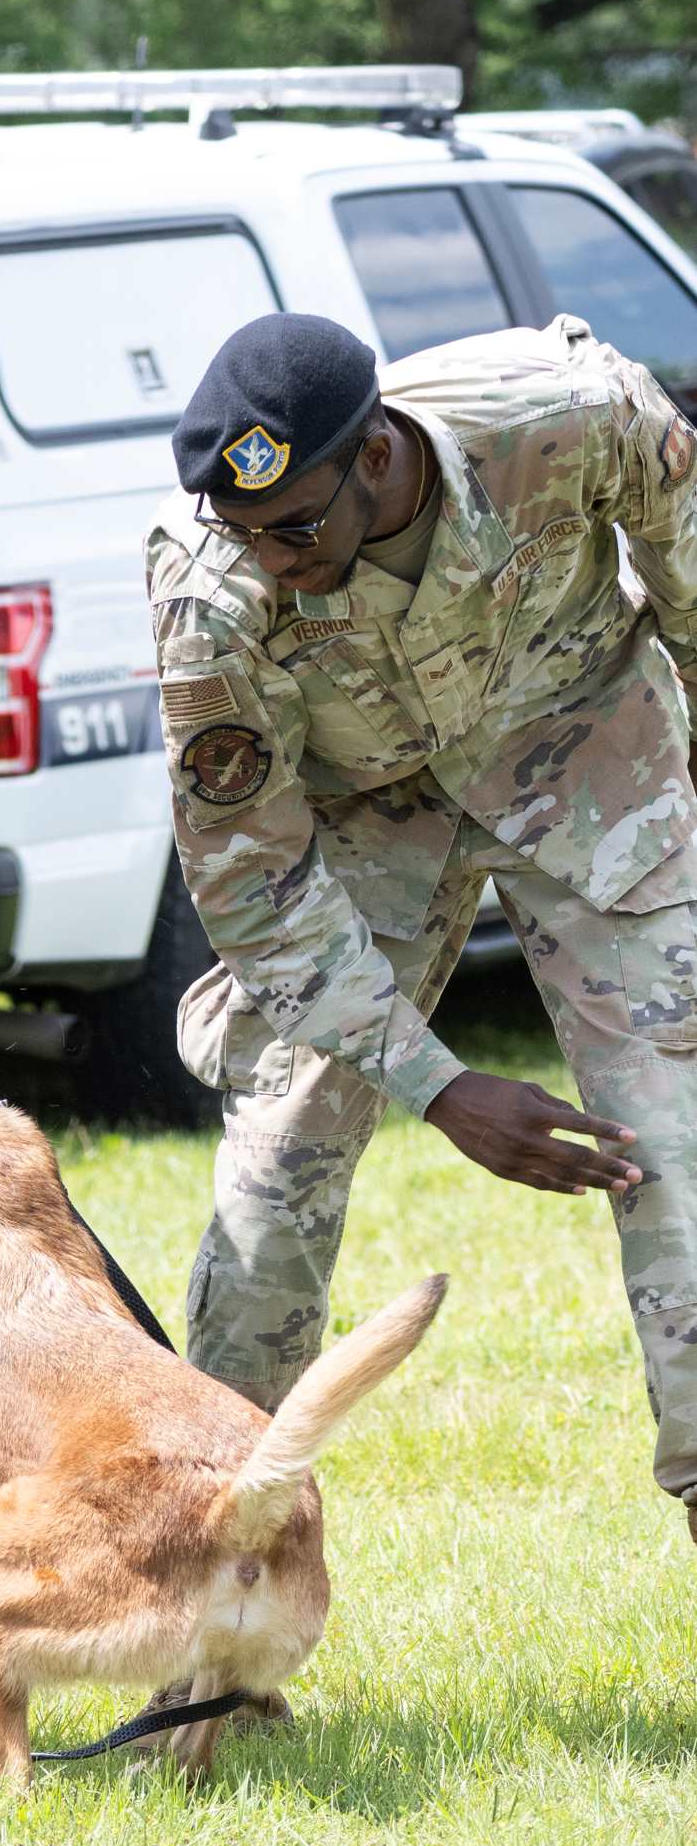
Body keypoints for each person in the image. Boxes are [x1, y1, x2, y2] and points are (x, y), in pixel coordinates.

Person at [143, 310, 697, 1568]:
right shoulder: (213, 586)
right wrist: (437, 1088)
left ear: (380, 456)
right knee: (274, 1176)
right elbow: (253, 881)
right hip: (367, 809)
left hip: (587, 749)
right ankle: (215, 1572)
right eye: (245, 533)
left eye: (296, 530)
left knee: (677, 1152)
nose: (270, 562)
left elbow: (688, 542)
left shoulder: (562, 416)